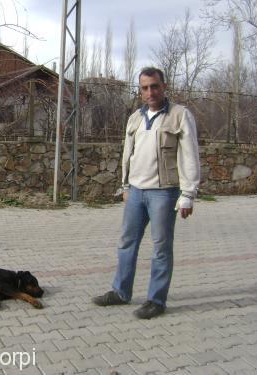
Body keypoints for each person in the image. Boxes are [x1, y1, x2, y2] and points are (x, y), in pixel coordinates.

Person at [92, 67, 200, 319]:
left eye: (154, 86)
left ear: (164, 86)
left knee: (161, 248)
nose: (150, 92)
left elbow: (190, 155)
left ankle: (156, 300)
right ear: (140, 91)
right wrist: (125, 186)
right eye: (144, 88)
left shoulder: (180, 115)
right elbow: (127, 154)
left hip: (164, 193)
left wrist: (188, 194)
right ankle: (120, 292)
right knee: (127, 243)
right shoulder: (135, 118)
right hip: (136, 192)